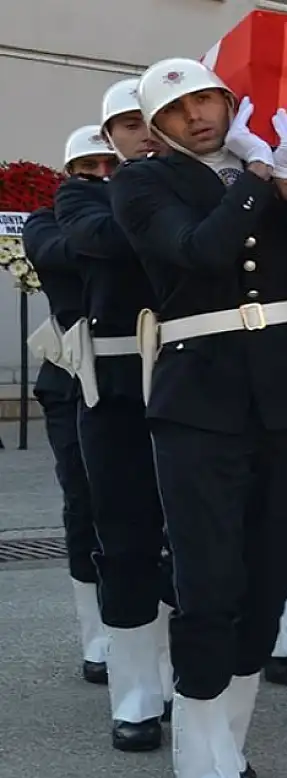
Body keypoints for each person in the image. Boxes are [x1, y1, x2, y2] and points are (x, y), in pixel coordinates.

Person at [111, 57, 287, 778]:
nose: (198, 116)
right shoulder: (142, 183)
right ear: (157, 127)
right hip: (201, 397)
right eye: (178, 109)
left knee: (275, 566)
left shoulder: (277, 171)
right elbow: (203, 252)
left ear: (229, 98)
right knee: (210, 575)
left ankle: (230, 735)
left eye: (207, 99)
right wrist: (260, 177)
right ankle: (204, 762)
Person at [55, 86, 176, 752]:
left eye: (152, 122)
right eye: (129, 125)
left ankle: (183, 677)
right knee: (125, 535)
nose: (145, 134)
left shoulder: (197, 185)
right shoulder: (85, 196)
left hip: (194, 383)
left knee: (193, 542)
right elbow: (92, 239)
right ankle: (134, 689)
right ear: (109, 134)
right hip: (118, 388)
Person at [22, 147, 105, 690]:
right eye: (88, 169)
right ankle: (97, 636)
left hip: (141, 376)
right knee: (84, 503)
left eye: (108, 167)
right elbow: (62, 254)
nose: (101, 176)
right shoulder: (45, 220)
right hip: (71, 380)